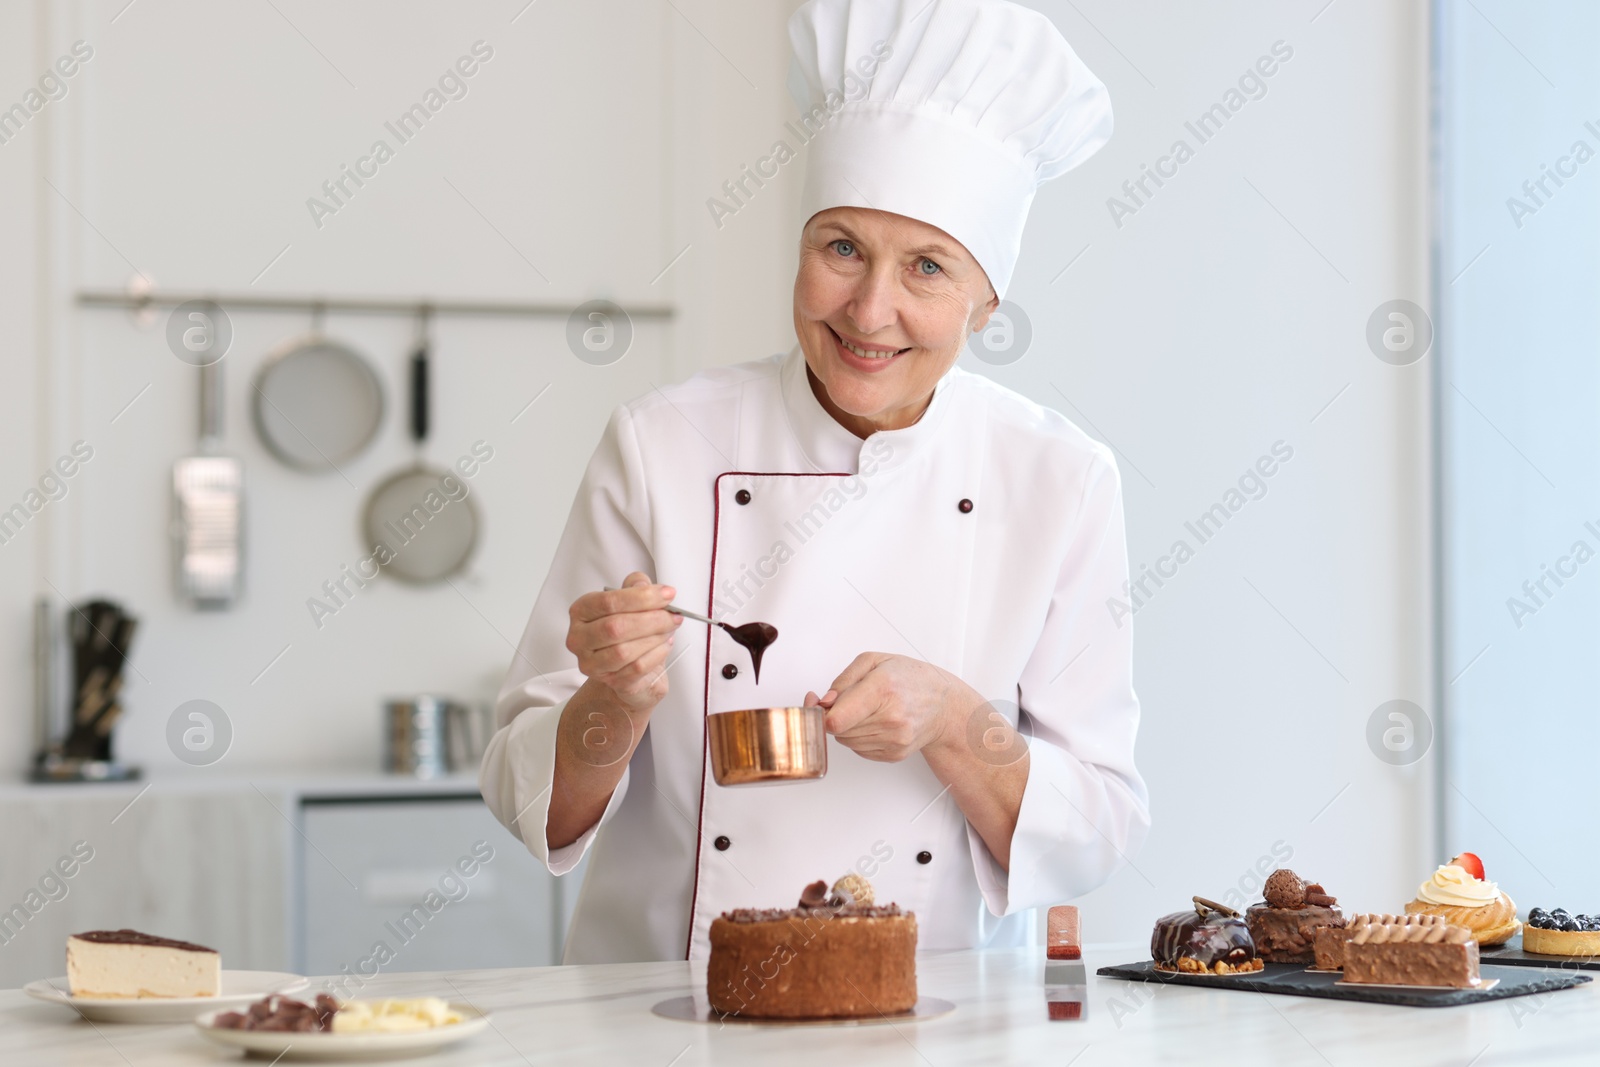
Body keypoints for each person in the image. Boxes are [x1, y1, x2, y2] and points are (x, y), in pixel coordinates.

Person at [481, 0, 1149, 963]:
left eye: (926, 267)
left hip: (938, 1016)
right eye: (841, 247)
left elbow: (1098, 826)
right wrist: (616, 702)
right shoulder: (661, 443)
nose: (870, 310)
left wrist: (957, 722)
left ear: (986, 303)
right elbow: (527, 802)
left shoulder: (1059, 479)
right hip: (666, 1013)